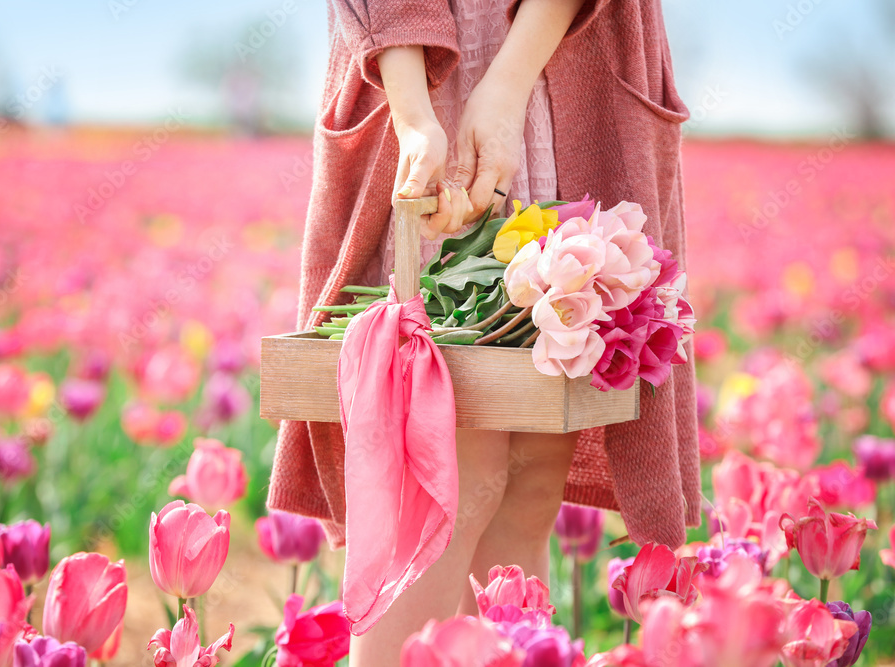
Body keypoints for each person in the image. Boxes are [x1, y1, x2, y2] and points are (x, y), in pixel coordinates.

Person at [268, 0, 702, 664]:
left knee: (528, 490)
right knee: (445, 480)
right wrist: (413, 112)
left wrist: (507, 86)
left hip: (561, 62)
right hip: (421, 81)